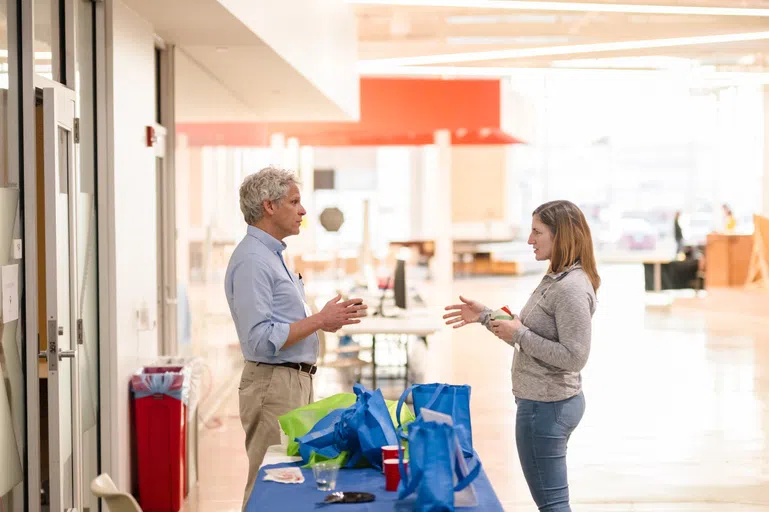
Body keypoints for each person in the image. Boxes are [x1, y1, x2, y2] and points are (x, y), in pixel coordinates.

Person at [224, 167, 368, 507]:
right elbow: (259, 339)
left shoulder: (274, 256)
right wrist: (319, 318)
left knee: (290, 479)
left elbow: (282, 323)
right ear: (269, 206)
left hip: (292, 381)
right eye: (295, 201)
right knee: (270, 483)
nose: (303, 210)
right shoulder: (253, 261)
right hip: (273, 385)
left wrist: (323, 322)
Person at [443, 200, 599, 512]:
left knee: (553, 506)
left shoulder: (569, 288)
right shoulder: (557, 278)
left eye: (537, 232)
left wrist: (518, 334)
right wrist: (486, 316)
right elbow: (527, 334)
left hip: (546, 407)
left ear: (561, 236)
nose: (529, 240)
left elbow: (574, 356)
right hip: (547, 403)